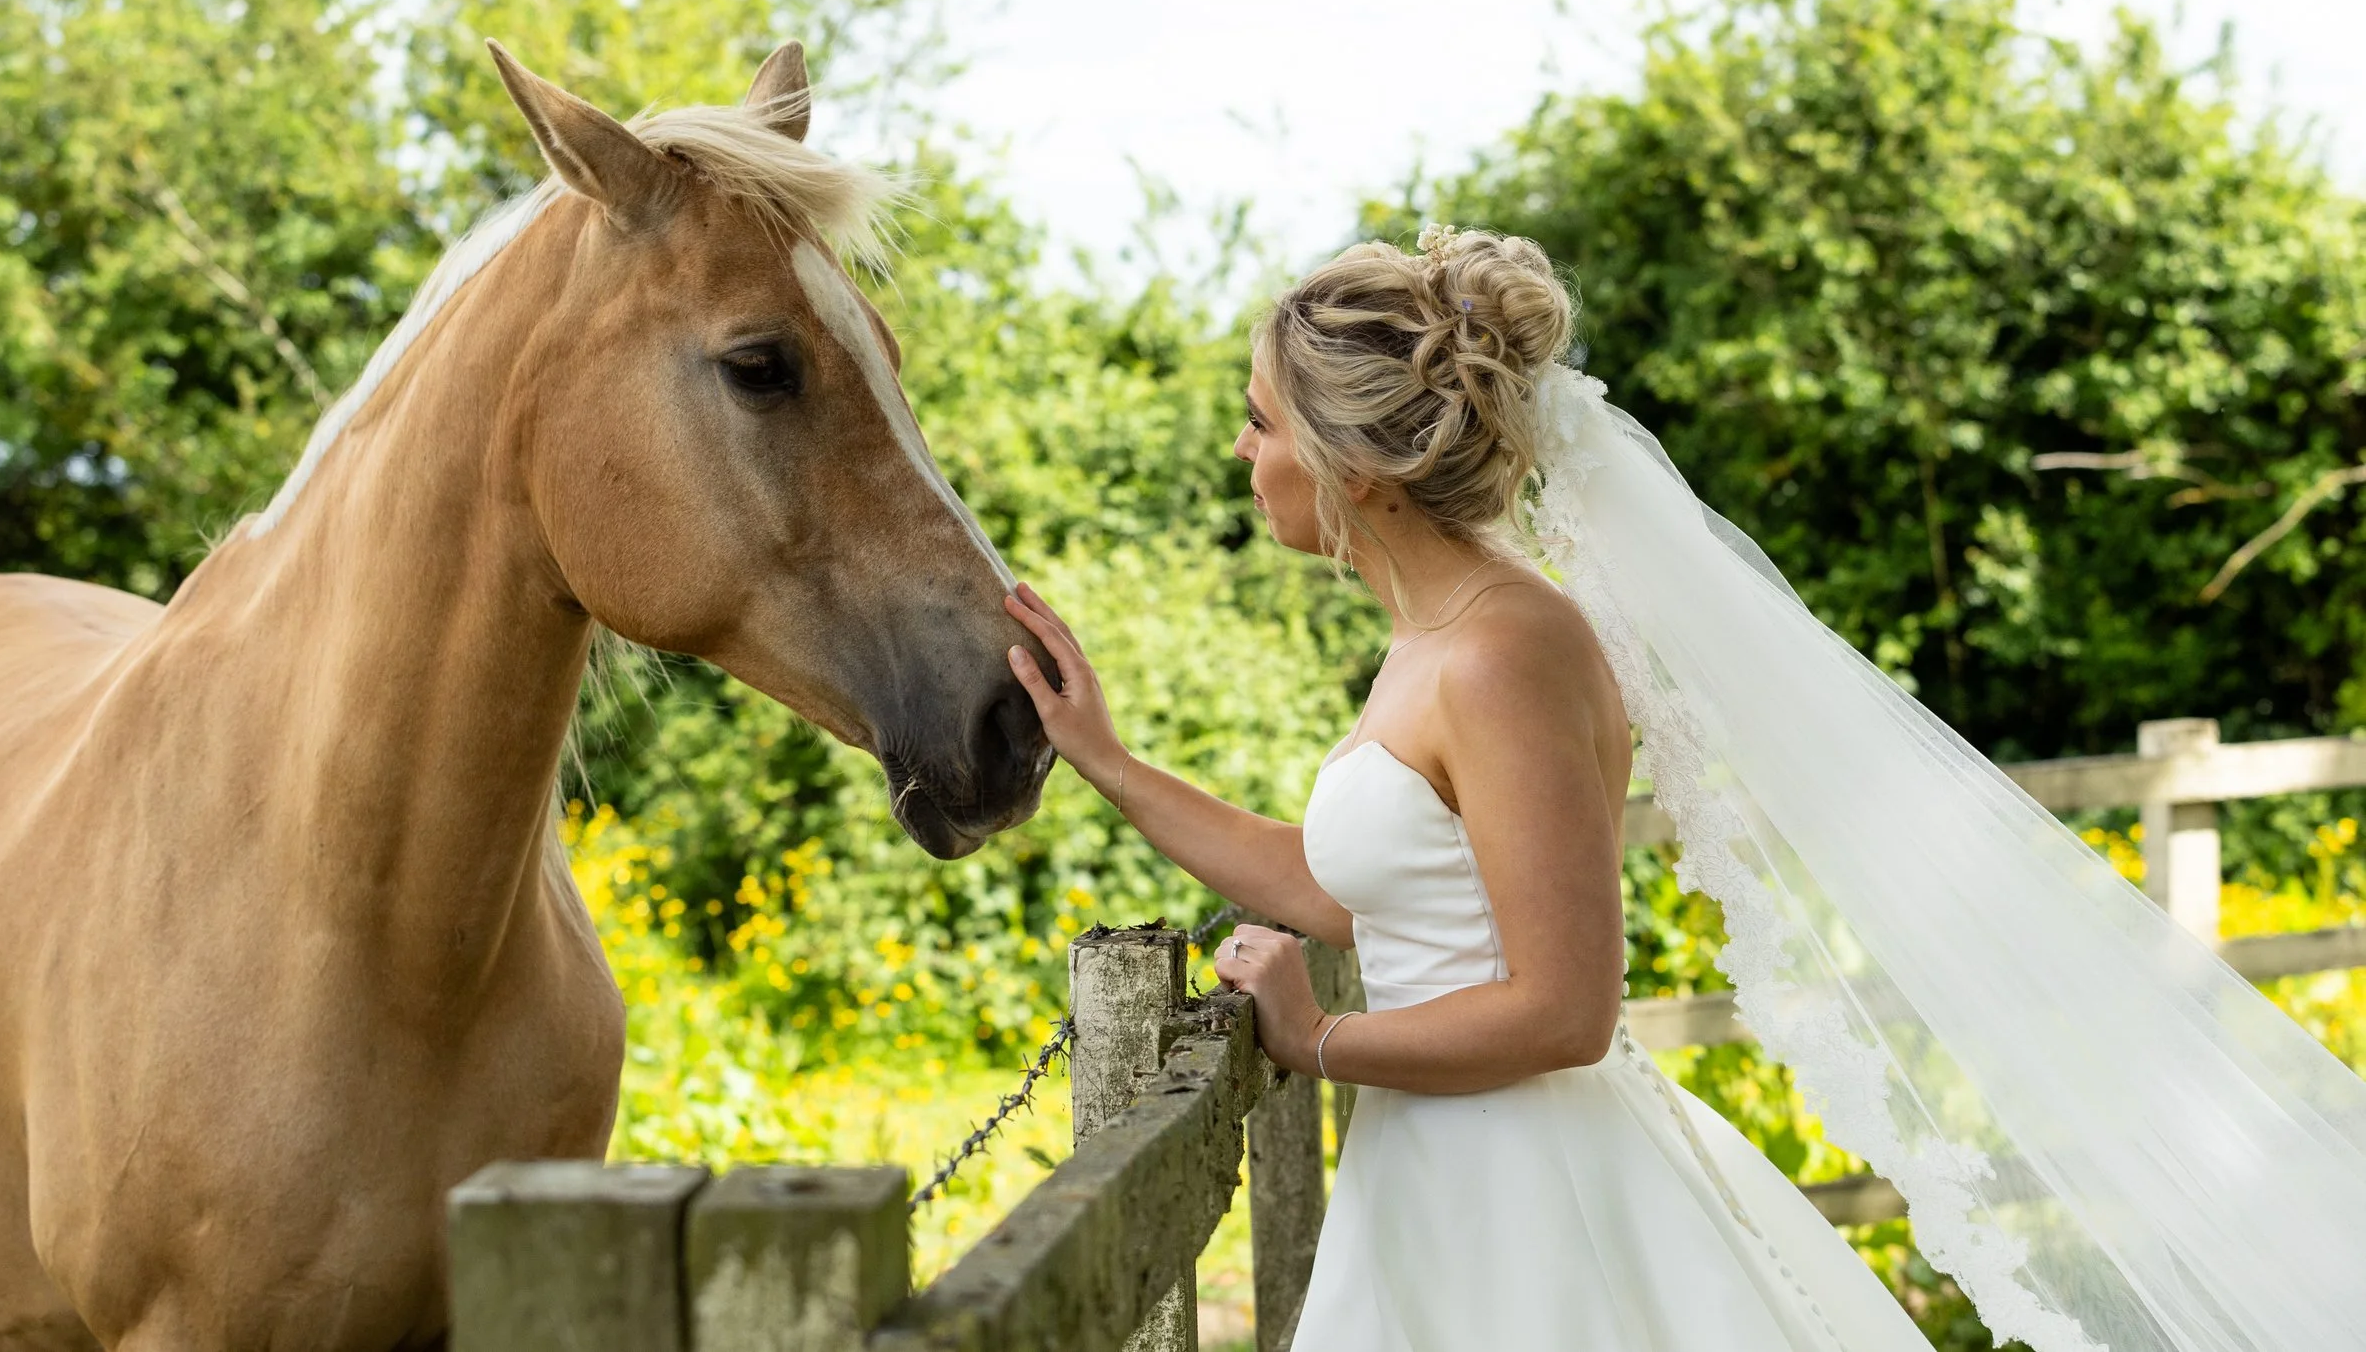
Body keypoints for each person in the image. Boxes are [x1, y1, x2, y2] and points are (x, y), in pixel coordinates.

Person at [1004, 227, 2366, 1351]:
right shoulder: (1435, 638)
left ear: (1356, 463)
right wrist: (1111, 763)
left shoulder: (1505, 648)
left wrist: (1319, 1043)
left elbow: (1565, 1007)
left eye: (1260, 423)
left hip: (1529, 1201)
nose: (1246, 456)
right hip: (1440, 1184)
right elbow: (1336, 886)